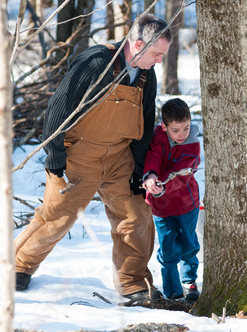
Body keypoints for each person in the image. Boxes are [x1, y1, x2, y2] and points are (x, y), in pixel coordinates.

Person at [13, 14, 172, 307]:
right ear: (138, 44)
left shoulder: (147, 74)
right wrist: (56, 155)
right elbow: (58, 106)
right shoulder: (97, 61)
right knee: (58, 218)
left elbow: (146, 119)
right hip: (80, 155)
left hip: (120, 157)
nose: (160, 60)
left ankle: (132, 282)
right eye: (157, 54)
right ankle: (20, 264)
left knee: (136, 216)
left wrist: (140, 167)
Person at [142, 98, 201, 301]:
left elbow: (182, 173)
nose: (182, 134)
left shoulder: (192, 144)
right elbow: (154, 157)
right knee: (167, 247)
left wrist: (162, 185)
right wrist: (150, 176)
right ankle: (172, 291)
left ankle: (189, 281)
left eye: (185, 128)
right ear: (164, 127)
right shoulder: (157, 138)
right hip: (161, 207)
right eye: (176, 130)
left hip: (187, 203)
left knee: (188, 244)